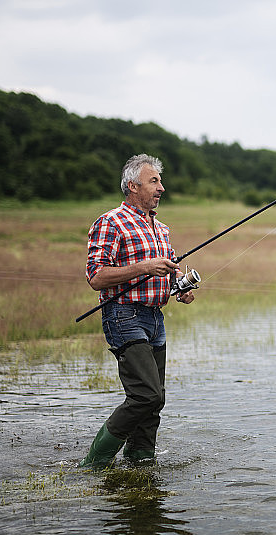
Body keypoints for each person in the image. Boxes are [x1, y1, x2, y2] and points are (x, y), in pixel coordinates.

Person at [79, 153, 195, 468]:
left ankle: (140, 461)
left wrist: (180, 288)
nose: (161, 188)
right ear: (133, 186)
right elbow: (96, 277)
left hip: (155, 318)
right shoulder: (110, 221)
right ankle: (94, 463)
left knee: (156, 399)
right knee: (147, 394)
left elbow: (166, 273)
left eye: (160, 181)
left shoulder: (162, 229)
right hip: (123, 315)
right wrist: (143, 266)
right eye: (153, 181)